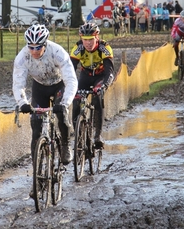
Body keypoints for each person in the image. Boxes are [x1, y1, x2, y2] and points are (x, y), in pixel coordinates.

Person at [12, 24, 78, 167]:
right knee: (36, 125)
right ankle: (37, 169)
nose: (34, 51)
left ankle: (65, 145)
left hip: (59, 85)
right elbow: (18, 84)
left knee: (62, 116)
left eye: (38, 47)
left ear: (45, 44)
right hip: (39, 87)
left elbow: (71, 80)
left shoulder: (57, 52)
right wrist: (22, 102)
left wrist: (65, 103)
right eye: (31, 47)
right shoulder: (22, 57)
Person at [70, 22, 114, 149]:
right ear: (81, 39)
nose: (88, 43)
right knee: (76, 100)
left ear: (97, 38)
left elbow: (109, 72)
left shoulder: (104, 48)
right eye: (85, 40)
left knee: (97, 97)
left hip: (100, 77)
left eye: (91, 40)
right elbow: (70, 69)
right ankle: (78, 135)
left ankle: (98, 135)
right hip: (85, 76)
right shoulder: (78, 48)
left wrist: (104, 86)